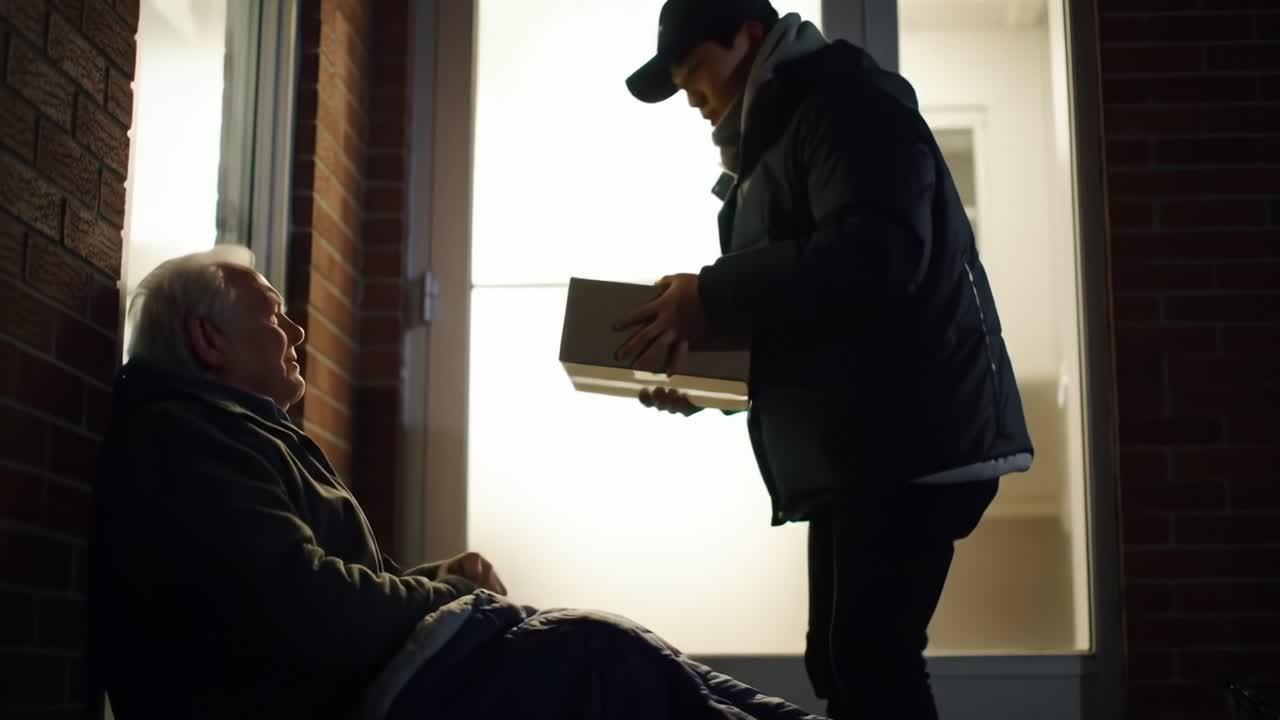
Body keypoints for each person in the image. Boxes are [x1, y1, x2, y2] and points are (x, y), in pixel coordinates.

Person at [88, 246, 826, 720]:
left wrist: (432, 579)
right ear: (206, 338)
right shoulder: (190, 440)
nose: (298, 334)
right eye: (275, 316)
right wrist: (450, 597)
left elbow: (301, 591)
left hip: (367, 687)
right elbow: (305, 605)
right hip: (348, 703)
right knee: (601, 659)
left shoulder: (226, 435)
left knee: (626, 655)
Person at [614, 1, 1034, 719]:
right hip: (870, 441)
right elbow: (820, 313)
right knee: (844, 659)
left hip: (910, 435)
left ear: (745, 35)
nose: (690, 96)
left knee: (869, 657)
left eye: (693, 72)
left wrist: (711, 294)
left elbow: (879, 256)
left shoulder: (843, 103)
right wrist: (708, 378)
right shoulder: (775, 137)